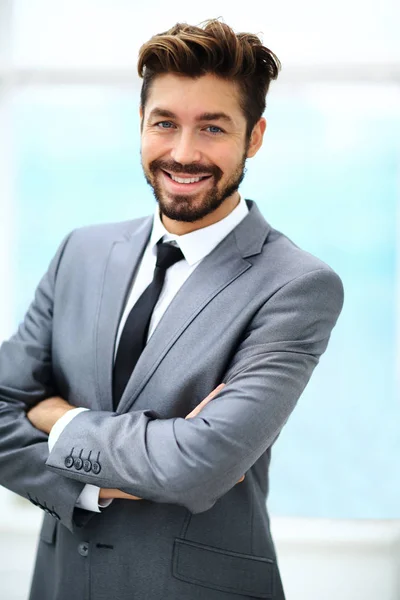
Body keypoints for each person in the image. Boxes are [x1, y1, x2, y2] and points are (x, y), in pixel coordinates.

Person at [0, 19, 344, 600]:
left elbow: (199, 467)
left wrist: (56, 418)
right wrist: (116, 473)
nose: (183, 153)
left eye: (212, 127)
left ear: (254, 137)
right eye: (166, 123)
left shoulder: (297, 285)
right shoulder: (79, 253)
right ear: (141, 125)